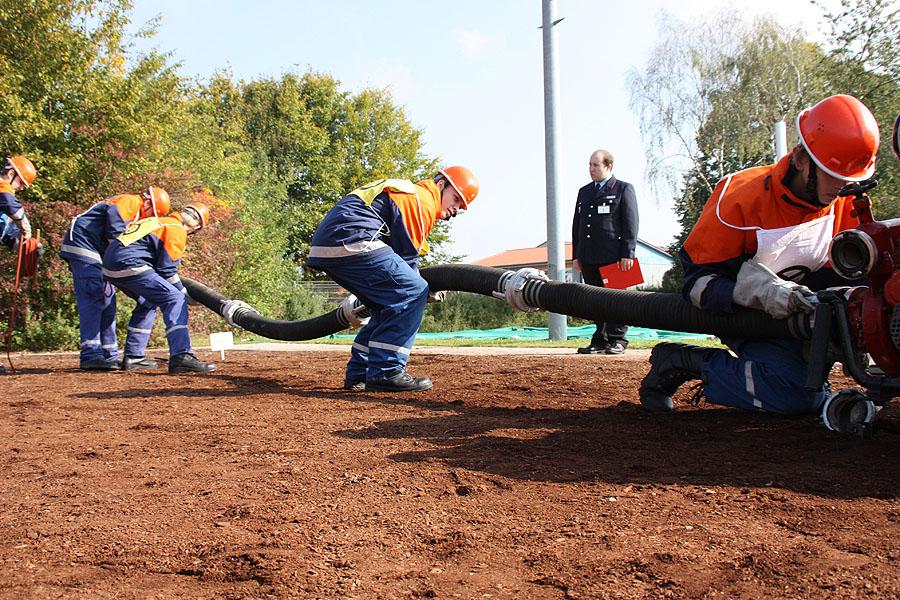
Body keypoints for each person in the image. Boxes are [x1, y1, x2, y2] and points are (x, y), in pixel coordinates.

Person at [639, 94, 880, 415]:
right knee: (797, 397)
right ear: (802, 160)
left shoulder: (846, 200)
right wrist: (758, 293)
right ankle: (684, 361)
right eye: (834, 175)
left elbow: (853, 272)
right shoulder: (738, 198)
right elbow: (696, 286)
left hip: (806, 318)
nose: (842, 188)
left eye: (850, 179)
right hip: (748, 319)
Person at [307, 167, 479, 392]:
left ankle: (360, 374)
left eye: (461, 207)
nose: (455, 209)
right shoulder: (422, 199)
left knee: (384, 305)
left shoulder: (410, 194)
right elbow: (407, 257)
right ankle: (386, 372)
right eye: (456, 198)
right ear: (440, 185)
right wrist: (422, 291)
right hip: (353, 239)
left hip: (330, 246)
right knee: (413, 292)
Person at [60, 187, 172, 370]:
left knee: (107, 298)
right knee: (94, 295)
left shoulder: (136, 213)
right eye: (152, 215)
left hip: (99, 252)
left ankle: (109, 354)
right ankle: (91, 354)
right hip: (84, 245)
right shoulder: (131, 201)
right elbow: (117, 233)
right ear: (148, 203)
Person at [101, 203, 216, 374]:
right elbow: (167, 270)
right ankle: (181, 355)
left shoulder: (157, 221)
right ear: (196, 227)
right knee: (176, 299)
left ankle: (134, 356)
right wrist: (185, 293)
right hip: (130, 264)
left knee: (148, 301)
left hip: (110, 265)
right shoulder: (176, 229)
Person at [572, 149, 639, 355]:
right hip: (589, 256)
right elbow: (578, 225)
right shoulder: (584, 191)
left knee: (617, 299)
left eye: (596, 165)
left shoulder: (622, 189)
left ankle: (618, 339)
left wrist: (628, 253)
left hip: (615, 256)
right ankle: (600, 339)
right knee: (594, 300)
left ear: (608, 166)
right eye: (590, 165)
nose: (591, 169)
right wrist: (577, 255)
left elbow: (631, 223)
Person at [0, 156, 38, 375]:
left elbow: (3, 230)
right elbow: (9, 202)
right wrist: (24, 223)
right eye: (21, 183)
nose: (21, 188)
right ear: (12, 173)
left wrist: (20, 243)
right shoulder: (3, 188)